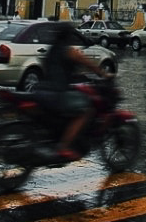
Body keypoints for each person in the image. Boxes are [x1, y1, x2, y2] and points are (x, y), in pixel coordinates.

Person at [38, 21, 112, 163]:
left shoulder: (52, 49)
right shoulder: (69, 51)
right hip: (57, 92)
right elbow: (88, 64)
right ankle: (64, 146)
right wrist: (104, 74)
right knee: (86, 110)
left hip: (41, 89)